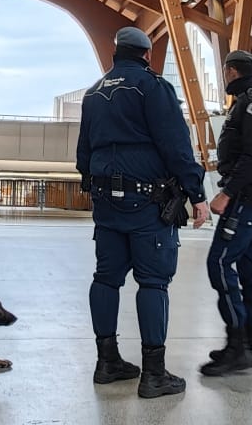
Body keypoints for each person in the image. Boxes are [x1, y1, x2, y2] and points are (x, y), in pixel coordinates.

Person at [75, 26, 209, 399]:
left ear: (115, 53)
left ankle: (107, 362)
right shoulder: (153, 87)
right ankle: (153, 374)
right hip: (147, 203)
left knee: (106, 278)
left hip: (105, 202)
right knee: (153, 282)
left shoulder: (93, 93)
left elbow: (83, 153)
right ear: (147, 56)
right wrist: (196, 193)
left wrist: (96, 185)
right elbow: (175, 144)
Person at [200, 51, 252, 376]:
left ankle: (239, 345)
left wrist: (227, 192)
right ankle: (247, 347)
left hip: (248, 196)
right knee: (248, 267)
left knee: (218, 262)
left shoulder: (251, 104)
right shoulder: (248, 101)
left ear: (230, 72)